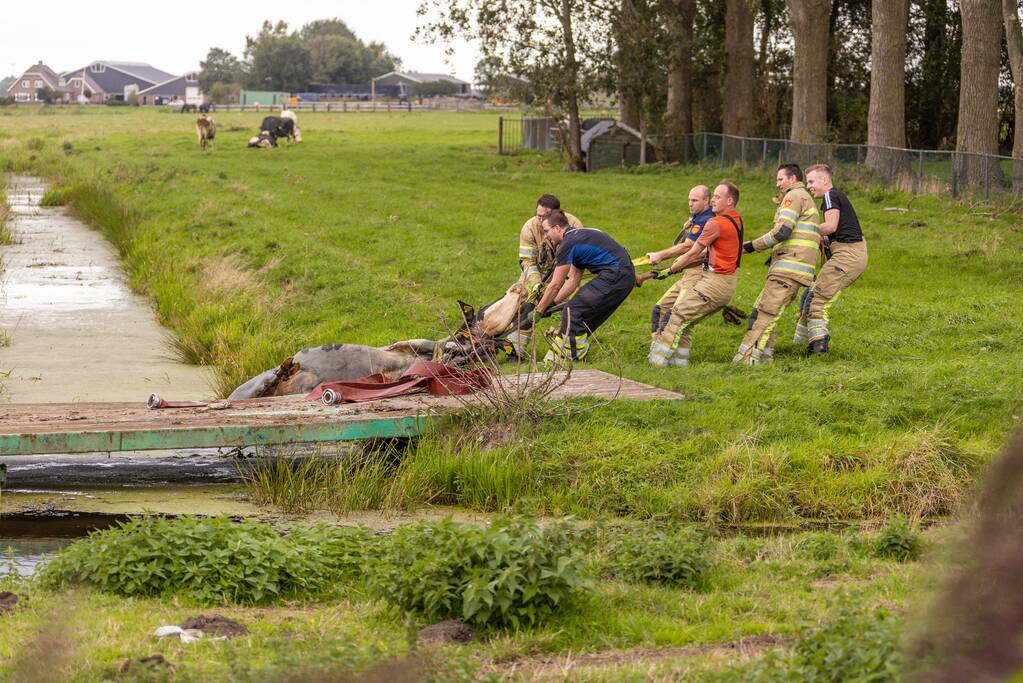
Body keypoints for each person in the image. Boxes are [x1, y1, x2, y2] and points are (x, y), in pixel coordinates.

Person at [648, 181, 744, 367]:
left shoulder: (715, 223)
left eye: (717, 197)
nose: (713, 200)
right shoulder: (736, 219)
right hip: (722, 280)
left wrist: (670, 269)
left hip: (716, 282)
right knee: (679, 319)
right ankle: (679, 365)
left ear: (730, 201)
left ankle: (656, 364)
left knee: (675, 317)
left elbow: (691, 251)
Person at [734, 164, 821, 365]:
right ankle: (764, 357)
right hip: (793, 266)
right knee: (763, 311)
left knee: (765, 314)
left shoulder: (794, 196)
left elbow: (782, 232)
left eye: (780, 179)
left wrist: (749, 247)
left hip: (789, 266)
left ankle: (747, 360)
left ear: (792, 179)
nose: (777, 184)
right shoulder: (802, 197)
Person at [533, 212, 635, 362]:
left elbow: (555, 285)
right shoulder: (578, 236)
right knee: (579, 318)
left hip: (615, 276)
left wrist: (539, 310)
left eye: (547, 231)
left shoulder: (566, 245)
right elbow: (573, 281)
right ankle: (561, 359)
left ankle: (574, 358)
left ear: (557, 228)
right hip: (623, 277)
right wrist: (552, 304)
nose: (546, 236)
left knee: (572, 311)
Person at [798, 164, 868, 354]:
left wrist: (801, 230)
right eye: (807, 181)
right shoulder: (833, 197)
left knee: (816, 298)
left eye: (811, 181)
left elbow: (829, 226)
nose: (808, 185)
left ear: (825, 180)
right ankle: (798, 344)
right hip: (848, 253)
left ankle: (819, 349)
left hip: (848, 255)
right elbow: (834, 232)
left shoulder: (830, 195)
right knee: (808, 295)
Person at [504, 195, 583, 355]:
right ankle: (515, 353)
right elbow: (527, 261)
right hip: (535, 275)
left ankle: (570, 350)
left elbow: (577, 263)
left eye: (543, 216)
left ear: (555, 215)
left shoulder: (574, 225)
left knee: (571, 310)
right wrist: (536, 284)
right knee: (523, 307)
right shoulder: (529, 227)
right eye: (537, 215)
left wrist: (556, 292)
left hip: (565, 277)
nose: (539, 221)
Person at [644, 185, 715, 337]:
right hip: (687, 271)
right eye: (689, 200)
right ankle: (656, 349)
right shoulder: (699, 217)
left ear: (706, 200)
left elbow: (687, 247)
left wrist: (660, 255)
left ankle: (667, 354)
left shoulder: (706, 219)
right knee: (659, 310)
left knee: (675, 316)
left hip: (698, 273)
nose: (690, 203)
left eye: (694, 200)